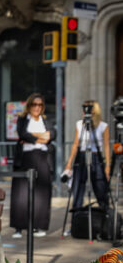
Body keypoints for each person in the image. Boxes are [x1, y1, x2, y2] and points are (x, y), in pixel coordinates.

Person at [10, 93, 55, 238]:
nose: (37, 107)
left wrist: (34, 137)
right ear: (29, 105)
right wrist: (42, 136)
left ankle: (39, 226)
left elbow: (53, 135)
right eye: (34, 104)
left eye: (40, 105)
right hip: (25, 158)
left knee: (42, 194)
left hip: (42, 158)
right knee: (21, 194)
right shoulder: (23, 119)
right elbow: (23, 134)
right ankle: (18, 227)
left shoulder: (46, 120)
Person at [63, 100, 110, 210]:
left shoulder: (103, 126)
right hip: (82, 155)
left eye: (88, 108)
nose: (85, 110)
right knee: (78, 186)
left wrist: (107, 165)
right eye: (84, 107)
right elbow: (75, 144)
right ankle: (76, 215)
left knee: (100, 186)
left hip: (96, 156)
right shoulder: (80, 124)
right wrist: (69, 163)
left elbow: (106, 146)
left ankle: (105, 214)